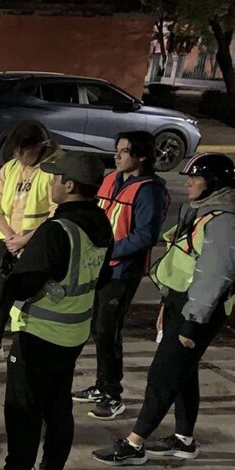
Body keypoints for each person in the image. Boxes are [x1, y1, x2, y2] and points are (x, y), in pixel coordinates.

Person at [94, 154, 235, 467]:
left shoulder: (226, 221)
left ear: (213, 183)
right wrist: (166, 304)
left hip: (197, 309)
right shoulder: (207, 211)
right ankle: (183, 440)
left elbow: (214, 278)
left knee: (162, 374)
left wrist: (191, 324)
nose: (188, 182)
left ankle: (135, 443)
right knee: (183, 374)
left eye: (194, 177)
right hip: (182, 302)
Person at [0, 152, 112, 470]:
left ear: (71, 185)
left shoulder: (57, 230)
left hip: (40, 335)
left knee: (23, 411)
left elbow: (21, 285)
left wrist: (9, 274)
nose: (50, 182)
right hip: (73, 333)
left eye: (56, 177)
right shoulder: (100, 225)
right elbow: (102, 275)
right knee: (58, 407)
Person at [75, 132, 168, 419]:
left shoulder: (149, 190)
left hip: (122, 270)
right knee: (97, 328)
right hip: (100, 266)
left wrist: (109, 249)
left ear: (141, 157)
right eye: (116, 150)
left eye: (124, 151)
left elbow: (145, 235)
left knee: (108, 330)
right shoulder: (110, 179)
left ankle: (113, 393)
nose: (117, 156)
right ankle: (102, 384)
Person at [0, 122, 62, 365]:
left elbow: (57, 211)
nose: (19, 158)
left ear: (39, 147)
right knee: (0, 293)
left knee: (32, 298)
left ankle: (28, 345)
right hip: (8, 241)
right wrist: (11, 237)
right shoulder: (9, 169)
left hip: (37, 243)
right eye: (16, 152)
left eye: (24, 152)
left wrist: (26, 239)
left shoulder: (52, 170)